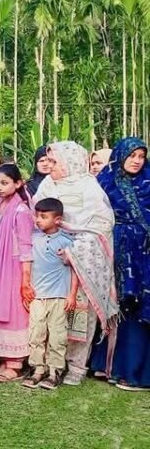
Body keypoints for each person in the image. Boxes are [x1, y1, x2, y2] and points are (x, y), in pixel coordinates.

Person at [32, 141, 117, 386]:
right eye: (48, 161)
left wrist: (74, 250)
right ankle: (51, 363)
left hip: (80, 259)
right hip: (51, 263)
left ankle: (78, 365)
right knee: (52, 314)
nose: (50, 166)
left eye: (55, 161)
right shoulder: (47, 185)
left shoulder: (89, 187)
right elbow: (36, 218)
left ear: (71, 163)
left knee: (80, 312)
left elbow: (101, 225)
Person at [95, 137, 150, 391]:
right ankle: (109, 365)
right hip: (115, 251)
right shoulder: (105, 181)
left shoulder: (148, 181)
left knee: (140, 308)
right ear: (120, 156)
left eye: (141, 156)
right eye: (132, 156)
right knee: (118, 304)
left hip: (145, 255)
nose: (137, 161)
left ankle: (137, 372)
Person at [21, 198, 78, 390]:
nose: (38, 220)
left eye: (43, 216)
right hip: (37, 296)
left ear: (57, 219)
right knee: (36, 334)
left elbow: (75, 270)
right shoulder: (32, 238)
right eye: (37, 216)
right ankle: (38, 369)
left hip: (59, 296)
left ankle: (55, 371)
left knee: (57, 336)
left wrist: (72, 295)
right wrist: (26, 287)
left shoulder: (67, 242)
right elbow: (27, 263)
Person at [0, 164, 33, 382]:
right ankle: (5, 359)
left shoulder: (21, 211)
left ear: (18, 183)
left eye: (5, 183)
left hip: (14, 268)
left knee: (13, 310)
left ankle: (16, 363)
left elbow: (26, 246)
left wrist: (25, 278)